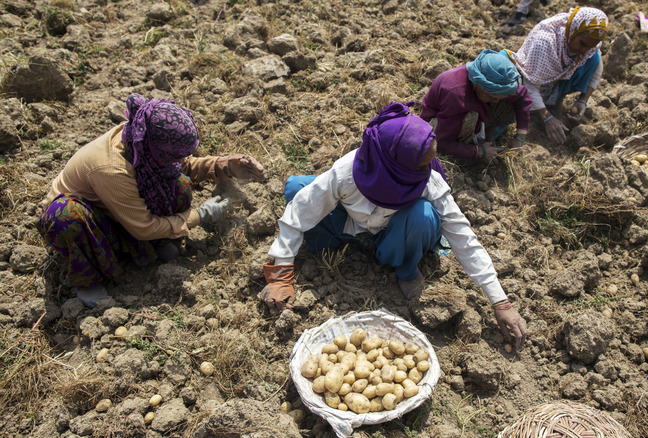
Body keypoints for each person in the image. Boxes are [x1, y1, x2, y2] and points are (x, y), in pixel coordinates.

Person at [259, 102, 528, 349]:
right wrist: (281, 272)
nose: (430, 169)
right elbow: (300, 211)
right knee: (297, 189)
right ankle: (352, 244)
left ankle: (406, 268)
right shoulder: (348, 171)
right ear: (393, 163)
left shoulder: (428, 180)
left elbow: (463, 237)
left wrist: (500, 301)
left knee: (423, 215)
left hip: (397, 235)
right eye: (422, 164)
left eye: (428, 163)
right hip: (351, 225)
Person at [36, 93, 265, 307]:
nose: (179, 159)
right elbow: (144, 227)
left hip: (119, 208)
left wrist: (222, 164)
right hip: (89, 221)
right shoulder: (111, 169)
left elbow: (182, 165)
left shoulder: (143, 140)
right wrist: (199, 215)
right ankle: (89, 279)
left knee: (180, 184)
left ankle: (153, 244)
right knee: (66, 217)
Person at [503, 7, 608, 145]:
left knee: (593, 58)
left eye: (589, 46)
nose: (584, 50)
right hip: (527, 81)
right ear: (573, 30)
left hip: (554, 84)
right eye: (582, 43)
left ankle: (556, 103)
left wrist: (583, 100)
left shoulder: (588, 48)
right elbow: (530, 85)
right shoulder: (545, 42)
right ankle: (538, 109)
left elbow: (596, 68)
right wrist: (547, 118)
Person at [420, 50, 532, 162]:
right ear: (479, 86)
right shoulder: (457, 96)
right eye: (493, 98)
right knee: (470, 116)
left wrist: (520, 138)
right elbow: (441, 142)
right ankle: (463, 157)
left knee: (507, 101)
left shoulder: (497, 84)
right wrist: (478, 151)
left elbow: (522, 96)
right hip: (440, 126)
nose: (496, 102)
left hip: (472, 113)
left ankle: (487, 140)